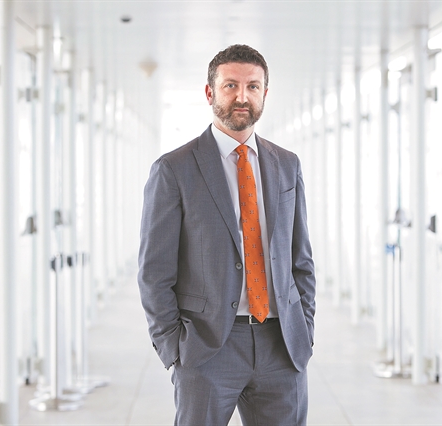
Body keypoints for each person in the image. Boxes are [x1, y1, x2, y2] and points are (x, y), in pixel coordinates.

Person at [137, 44, 316, 426]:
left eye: (253, 86)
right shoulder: (174, 169)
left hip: (282, 345)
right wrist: (175, 349)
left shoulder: (287, 164)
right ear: (210, 92)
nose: (242, 97)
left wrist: (305, 329)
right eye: (230, 85)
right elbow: (154, 271)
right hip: (207, 348)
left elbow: (300, 258)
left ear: (265, 93)